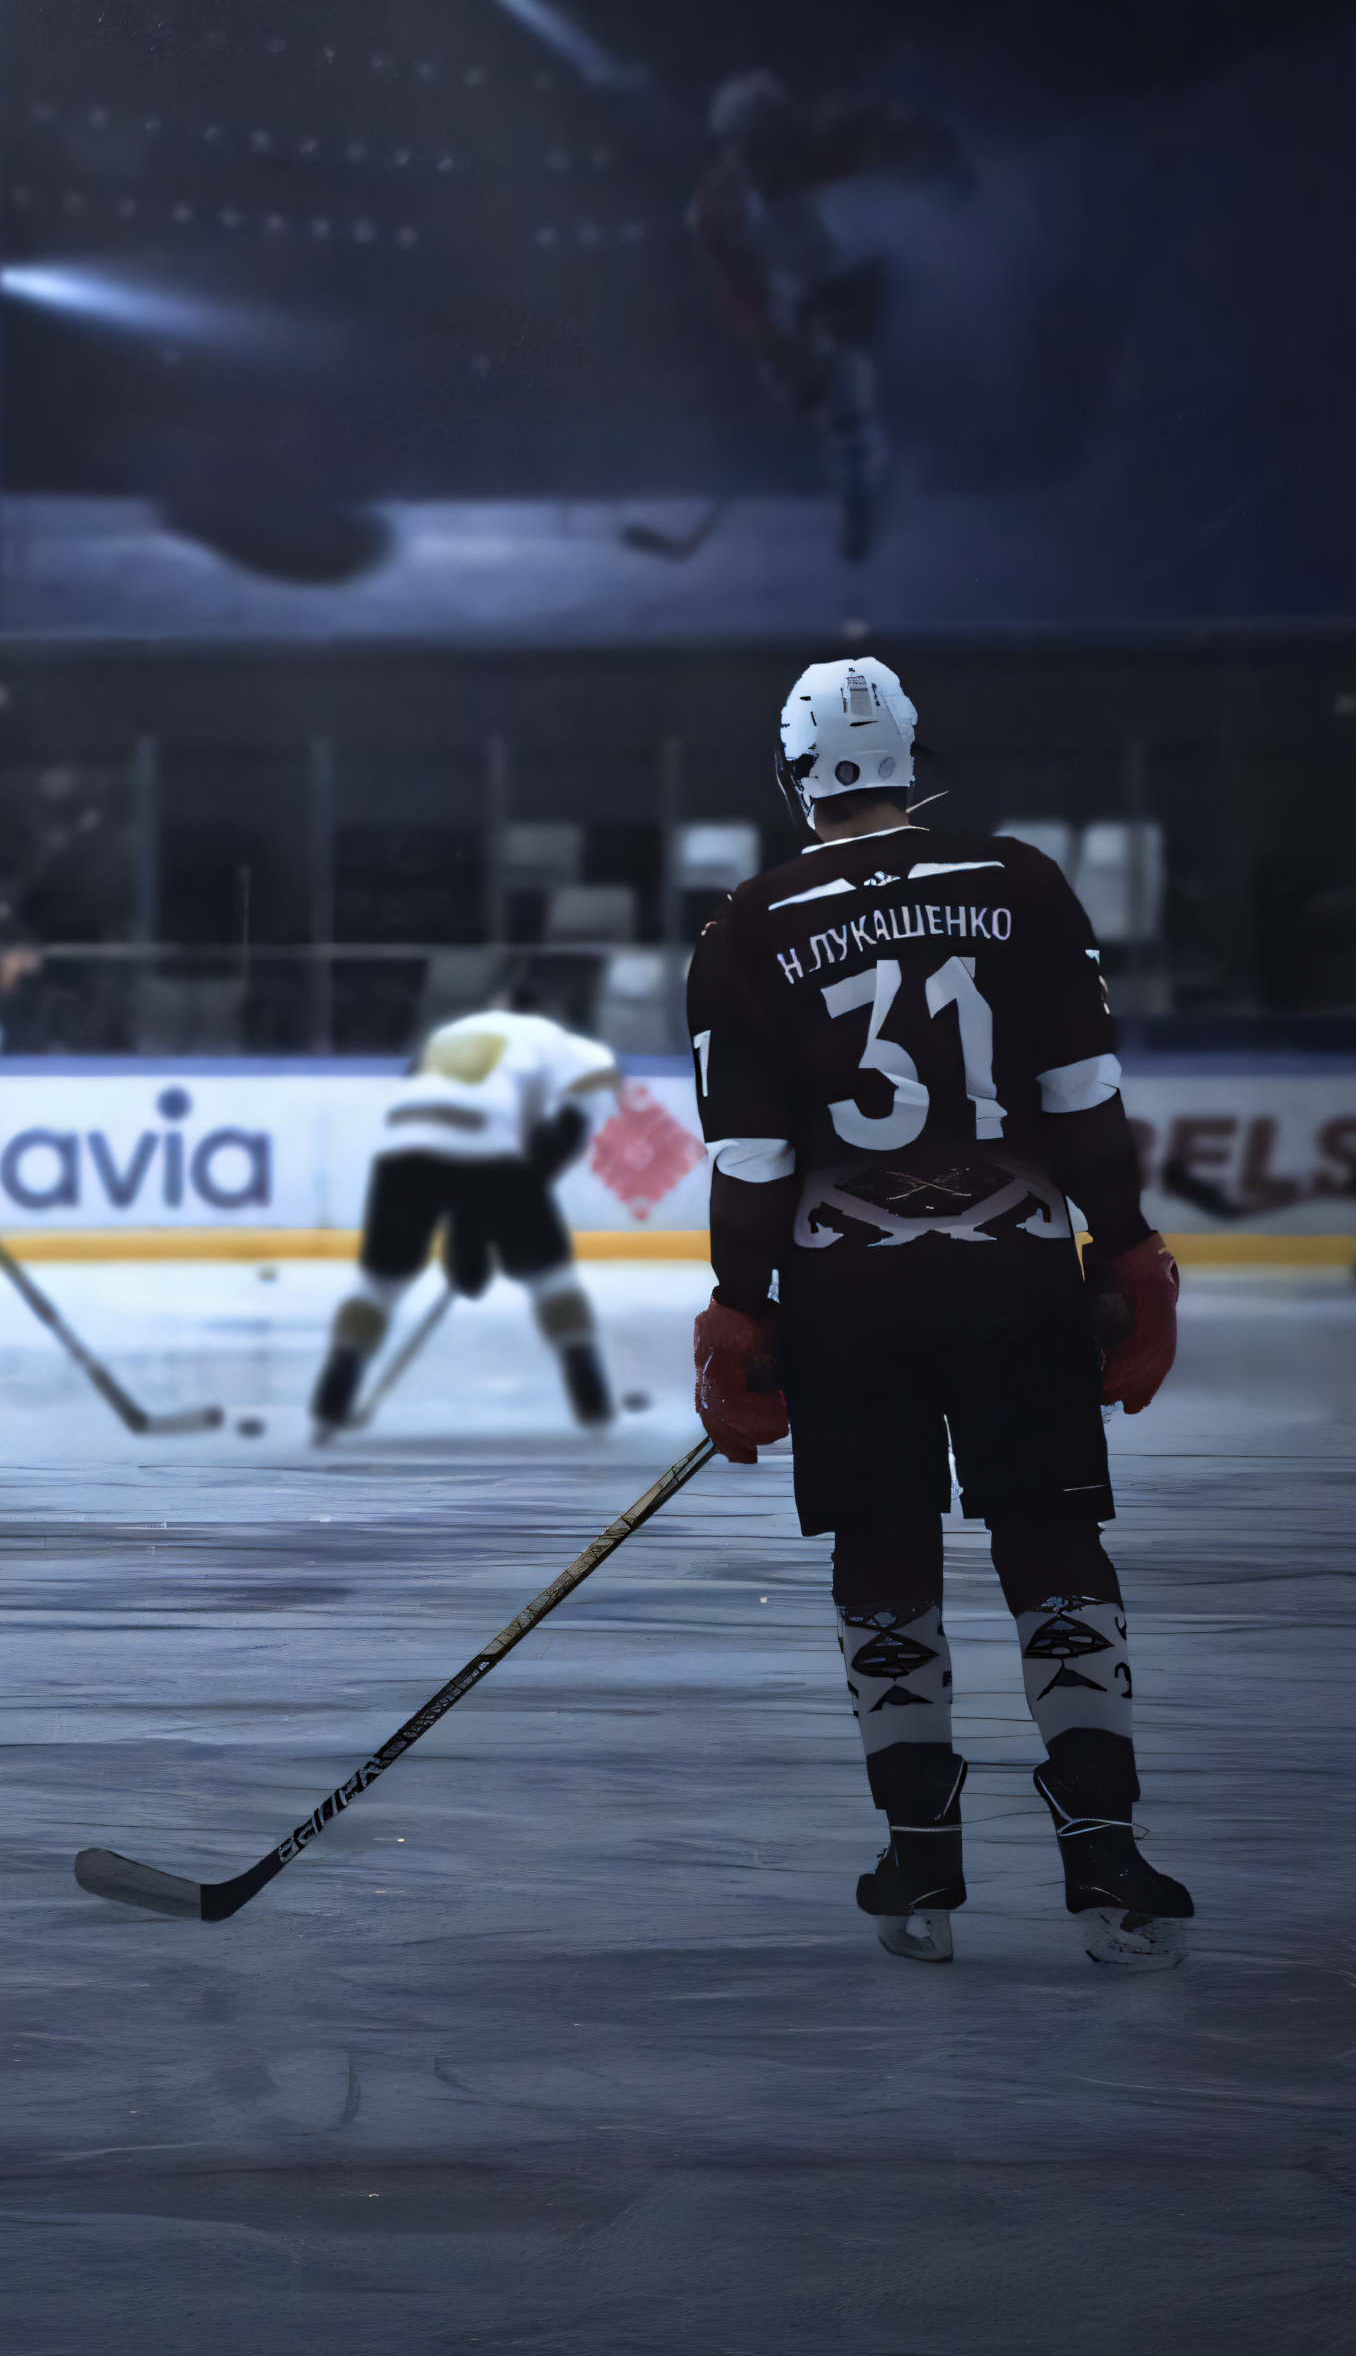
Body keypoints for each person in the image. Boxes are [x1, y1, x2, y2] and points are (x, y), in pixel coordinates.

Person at [685, 656, 1188, 1968]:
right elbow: (1081, 1088)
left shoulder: (744, 921)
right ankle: (1103, 1851)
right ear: (911, 757)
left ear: (794, 776)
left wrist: (742, 1308)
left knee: (883, 1555)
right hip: (1014, 1274)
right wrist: (1126, 1245)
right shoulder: (1019, 879)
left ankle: (921, 1858)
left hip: (848, 1299)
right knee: (1054, 1542)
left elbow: (748, 1156)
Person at [310, 987, 621, 1436]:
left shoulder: (451, 1034)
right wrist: (497, 1215)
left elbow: (434, 1121)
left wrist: (466, 1231)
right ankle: (592, 1403)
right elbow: (568, 1126)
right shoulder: (558, 1039)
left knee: (379, 1281)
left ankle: (332, 1398)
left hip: (403, 1149)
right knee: (551, 1278)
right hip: (489, 1151)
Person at [688, 71, 968, 562]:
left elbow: (898, 127)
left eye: (765, 146)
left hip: (857, 268)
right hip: (794, 288)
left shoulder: (830, 143)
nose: (756, 162)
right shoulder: (717, 206)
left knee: (846, 373)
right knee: (804, 391)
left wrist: (940, 163)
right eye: (743, 149)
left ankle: (861, 491)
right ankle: (864, 465)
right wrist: (773, 347)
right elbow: (736, 287)